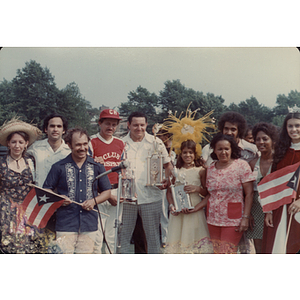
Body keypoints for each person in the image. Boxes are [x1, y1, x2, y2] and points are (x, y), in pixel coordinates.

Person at [43, 127, 111, 254]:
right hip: (65, 223)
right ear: (69, 145)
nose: (82, 148)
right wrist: (59, 200)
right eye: (78, 144)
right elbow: (46, 190)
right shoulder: (58, 167)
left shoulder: (97, 166)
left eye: (85, 144)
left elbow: (107, 192)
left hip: (89, 223)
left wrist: (93, 201)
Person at [119, 112, 173, 254]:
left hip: (151, 196)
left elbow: (168, 165)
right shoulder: (120, 143)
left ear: (146, 125)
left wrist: (166, 180)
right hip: (127, 198)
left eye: (142, 125)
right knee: (123, 237)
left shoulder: (156, 142)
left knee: (153, 237)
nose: (139, 128)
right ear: (128, 125)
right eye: (135, 125)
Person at [205, 133, 255, 254]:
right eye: (219, 149)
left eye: (226, 149)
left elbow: (249, 193)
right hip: (213, 219)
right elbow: (209, 194)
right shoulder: (210, 168)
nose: (223, 152)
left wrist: (245, 217)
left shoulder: (242, 166)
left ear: (231, 149)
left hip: (233, 220)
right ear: (214, 151)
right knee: (217, 253)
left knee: (226, 253)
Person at [0, 118, 43, 253]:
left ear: (26, 144)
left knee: (28, 248)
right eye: (13, 142)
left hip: (27, 213)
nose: (17, 145)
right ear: (8, 144)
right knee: (7, 247)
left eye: (20, 142)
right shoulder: (1, 163)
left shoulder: (31, 162)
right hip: (5, 213)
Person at [262, 110, 300, 253]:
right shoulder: (280, 150)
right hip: (280, 207)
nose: (294, 129)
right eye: (290, 126)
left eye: (297, 125)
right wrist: (269, 211)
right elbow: (272, 181)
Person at [165, 140, 211, 254]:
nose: (188, 155)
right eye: (185, 152)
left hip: (194, 210)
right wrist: (171, 206)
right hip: (178, 213)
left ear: (195, 154)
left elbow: (207, 193)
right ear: (181, 154)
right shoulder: (175, 171)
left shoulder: (201, 171)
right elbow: (169, 192)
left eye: (190, 152)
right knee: (178, 242)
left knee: (193, 241)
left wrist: (197, 189)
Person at [89, 108, 125, 254]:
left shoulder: (120, 143)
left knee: (112, 236)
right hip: (99, 192)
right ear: (100, 123)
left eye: (114, 124)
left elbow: (124, 170)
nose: (111, 127)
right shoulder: (92, 142)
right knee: (97, 236)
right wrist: (108, 195)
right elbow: (88, 173)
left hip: (117, 191)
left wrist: (121, 191)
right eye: (107, 123)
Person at [247, 122, 278, 254]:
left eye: (265, 139)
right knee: (259, 248)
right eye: (258, 139)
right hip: (257, 208)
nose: (261, 142)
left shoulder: (279, 161)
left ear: (273, 140)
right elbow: (247, 191)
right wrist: (248, 214)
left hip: (276, 206)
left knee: (275, 244)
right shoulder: (253, 163)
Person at [27, 113, 71, 188]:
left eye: (59, 126)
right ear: (46, 129)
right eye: (52, 126)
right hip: (40, 194)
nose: (55, 129)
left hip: (62, 196)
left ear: (63, 130)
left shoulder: (69, 150)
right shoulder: (35, 148)